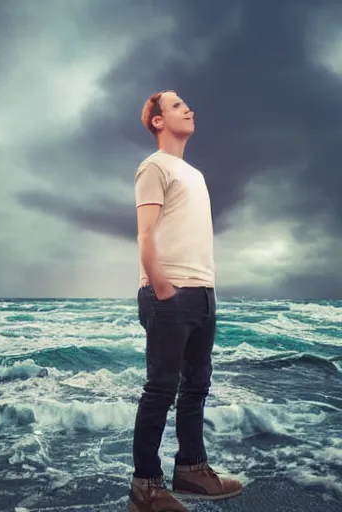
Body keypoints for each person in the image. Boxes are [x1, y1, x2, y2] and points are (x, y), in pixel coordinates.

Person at [128, 90, 243, 512]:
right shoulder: (153, 166)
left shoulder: (194, 173)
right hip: (169, 293)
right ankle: (145, 487)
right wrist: (160, 285)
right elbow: (145, 232)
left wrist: (206, 290)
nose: (188, 109)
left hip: (203, 293)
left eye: (186, 105)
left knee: (196, 386)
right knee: (161, 389)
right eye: (177, 106)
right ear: (158, 121)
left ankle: (191, 469)